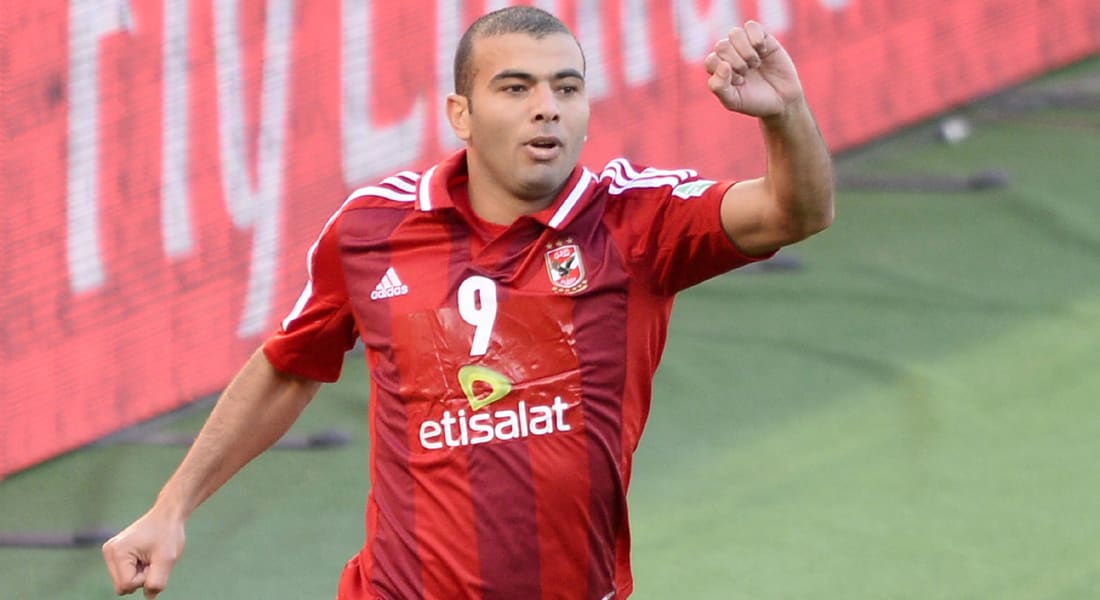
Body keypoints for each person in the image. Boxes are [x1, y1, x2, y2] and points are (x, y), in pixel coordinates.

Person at [102, 6, 834, 599]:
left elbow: (793, 212)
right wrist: (171, 508)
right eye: (516, 89)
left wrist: (786, 113)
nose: (546, 109)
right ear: (461, 112)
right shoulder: (372, 229)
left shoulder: (637, 219)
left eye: (567, 88)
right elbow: (291, 365)